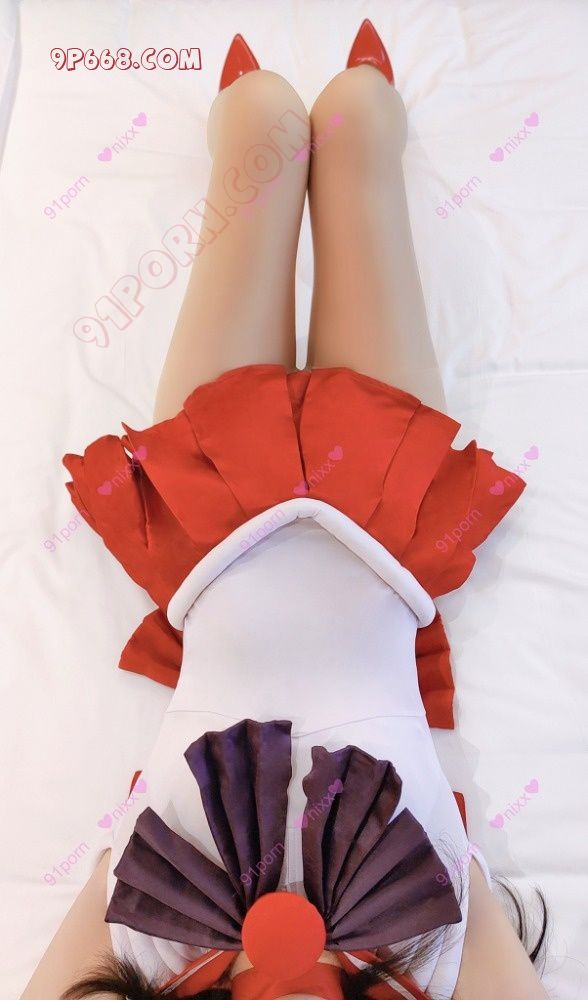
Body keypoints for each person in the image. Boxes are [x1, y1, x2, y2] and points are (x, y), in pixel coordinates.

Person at [21, 21, 548, 1000]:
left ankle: (266, 113)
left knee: (258, 132)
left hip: (217, 529)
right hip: (378, 526)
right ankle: (355, 110)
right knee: (360, 123)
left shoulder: (151, 951)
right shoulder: (423, 956)